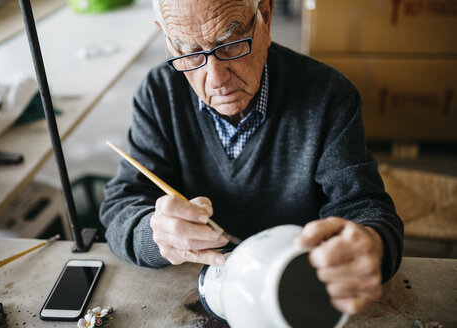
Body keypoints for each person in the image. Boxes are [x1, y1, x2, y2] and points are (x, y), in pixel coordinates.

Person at [100, 0, 403, 314]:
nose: (215, 78)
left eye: (230, 45)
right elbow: (121, 205)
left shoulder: (328, 96)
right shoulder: (159, 94)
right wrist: (156, 234)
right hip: (201, 293)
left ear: (266, 18)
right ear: (166, 39)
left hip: (297, 290)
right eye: (189, 52)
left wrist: (371, 245)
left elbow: (365, 207)